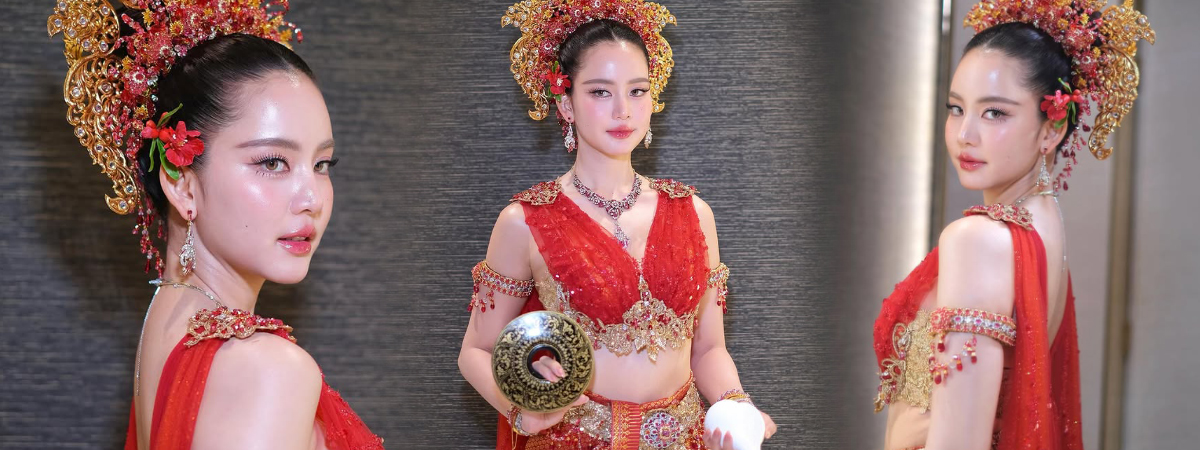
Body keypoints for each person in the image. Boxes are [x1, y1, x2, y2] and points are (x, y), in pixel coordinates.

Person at [48, 1, 384, 448]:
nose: (313, 199)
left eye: (322, 164)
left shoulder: (164, 321)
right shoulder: (267, 371)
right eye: (272, 162)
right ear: (181, 183)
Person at [458, 1, 776, 449]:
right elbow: (477, 351)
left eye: (638, 90)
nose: (623, 110)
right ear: (565, 102)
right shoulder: (527, 220)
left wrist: (735, 404)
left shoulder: (693, 212)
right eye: (600, 92)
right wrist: (520, 412)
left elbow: (708, 349)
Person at [871, 1, 1154, 449]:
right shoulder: (1044, 224)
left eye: (995, 113)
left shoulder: (978, 240)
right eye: (956, 108)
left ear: (1052, 128)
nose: (965, 134)